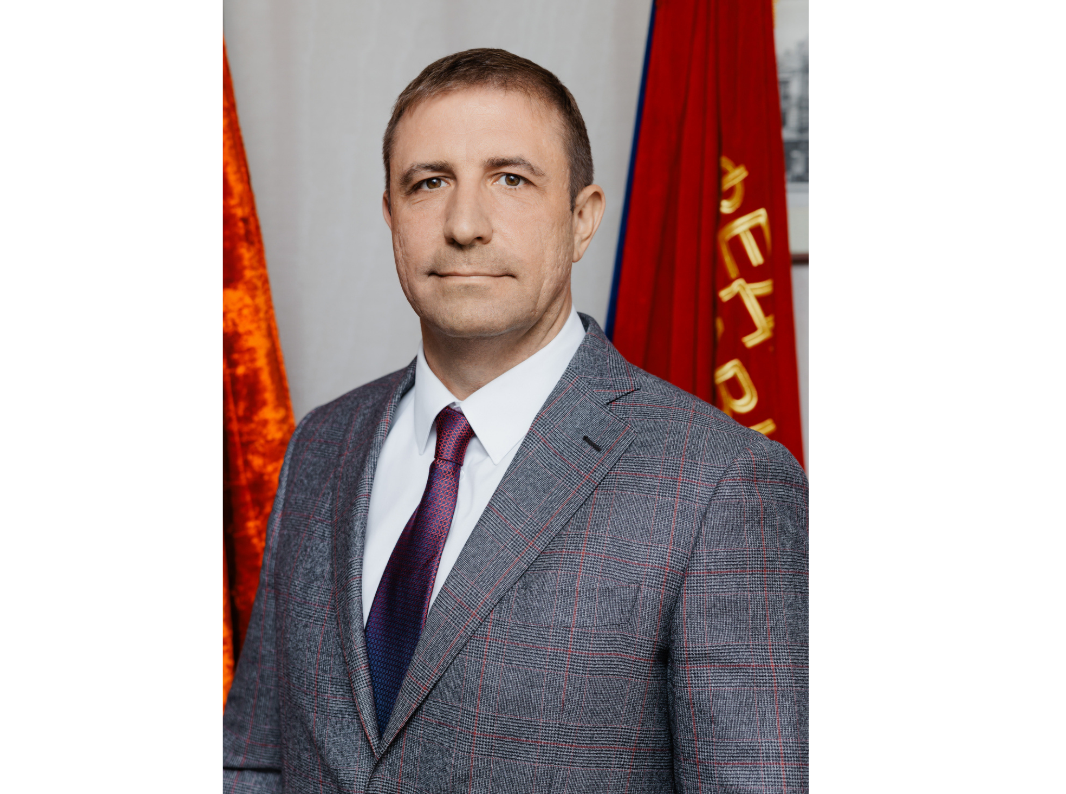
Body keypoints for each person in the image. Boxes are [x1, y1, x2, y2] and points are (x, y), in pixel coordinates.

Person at [224, 48, 808, 794]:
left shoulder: (723, 484)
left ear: (582, 220)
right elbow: (255, 763)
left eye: (511, 179)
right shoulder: (321, 446)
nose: (465, 224)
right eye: (429, 183)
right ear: (391, 216)